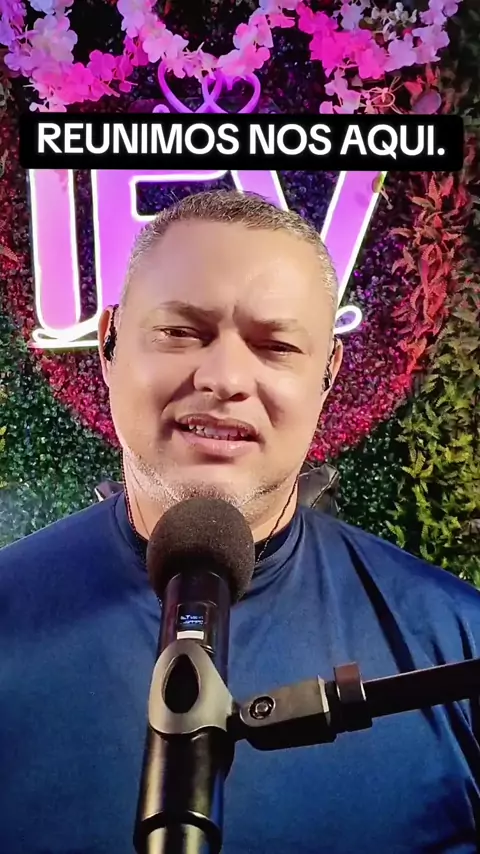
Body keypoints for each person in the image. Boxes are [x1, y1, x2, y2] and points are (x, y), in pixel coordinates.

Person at [0, 189, 479, 854]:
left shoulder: (459, 646)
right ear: (108, 344)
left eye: (275, 345)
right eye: (180, 332)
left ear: (328, 374)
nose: (225, 377)